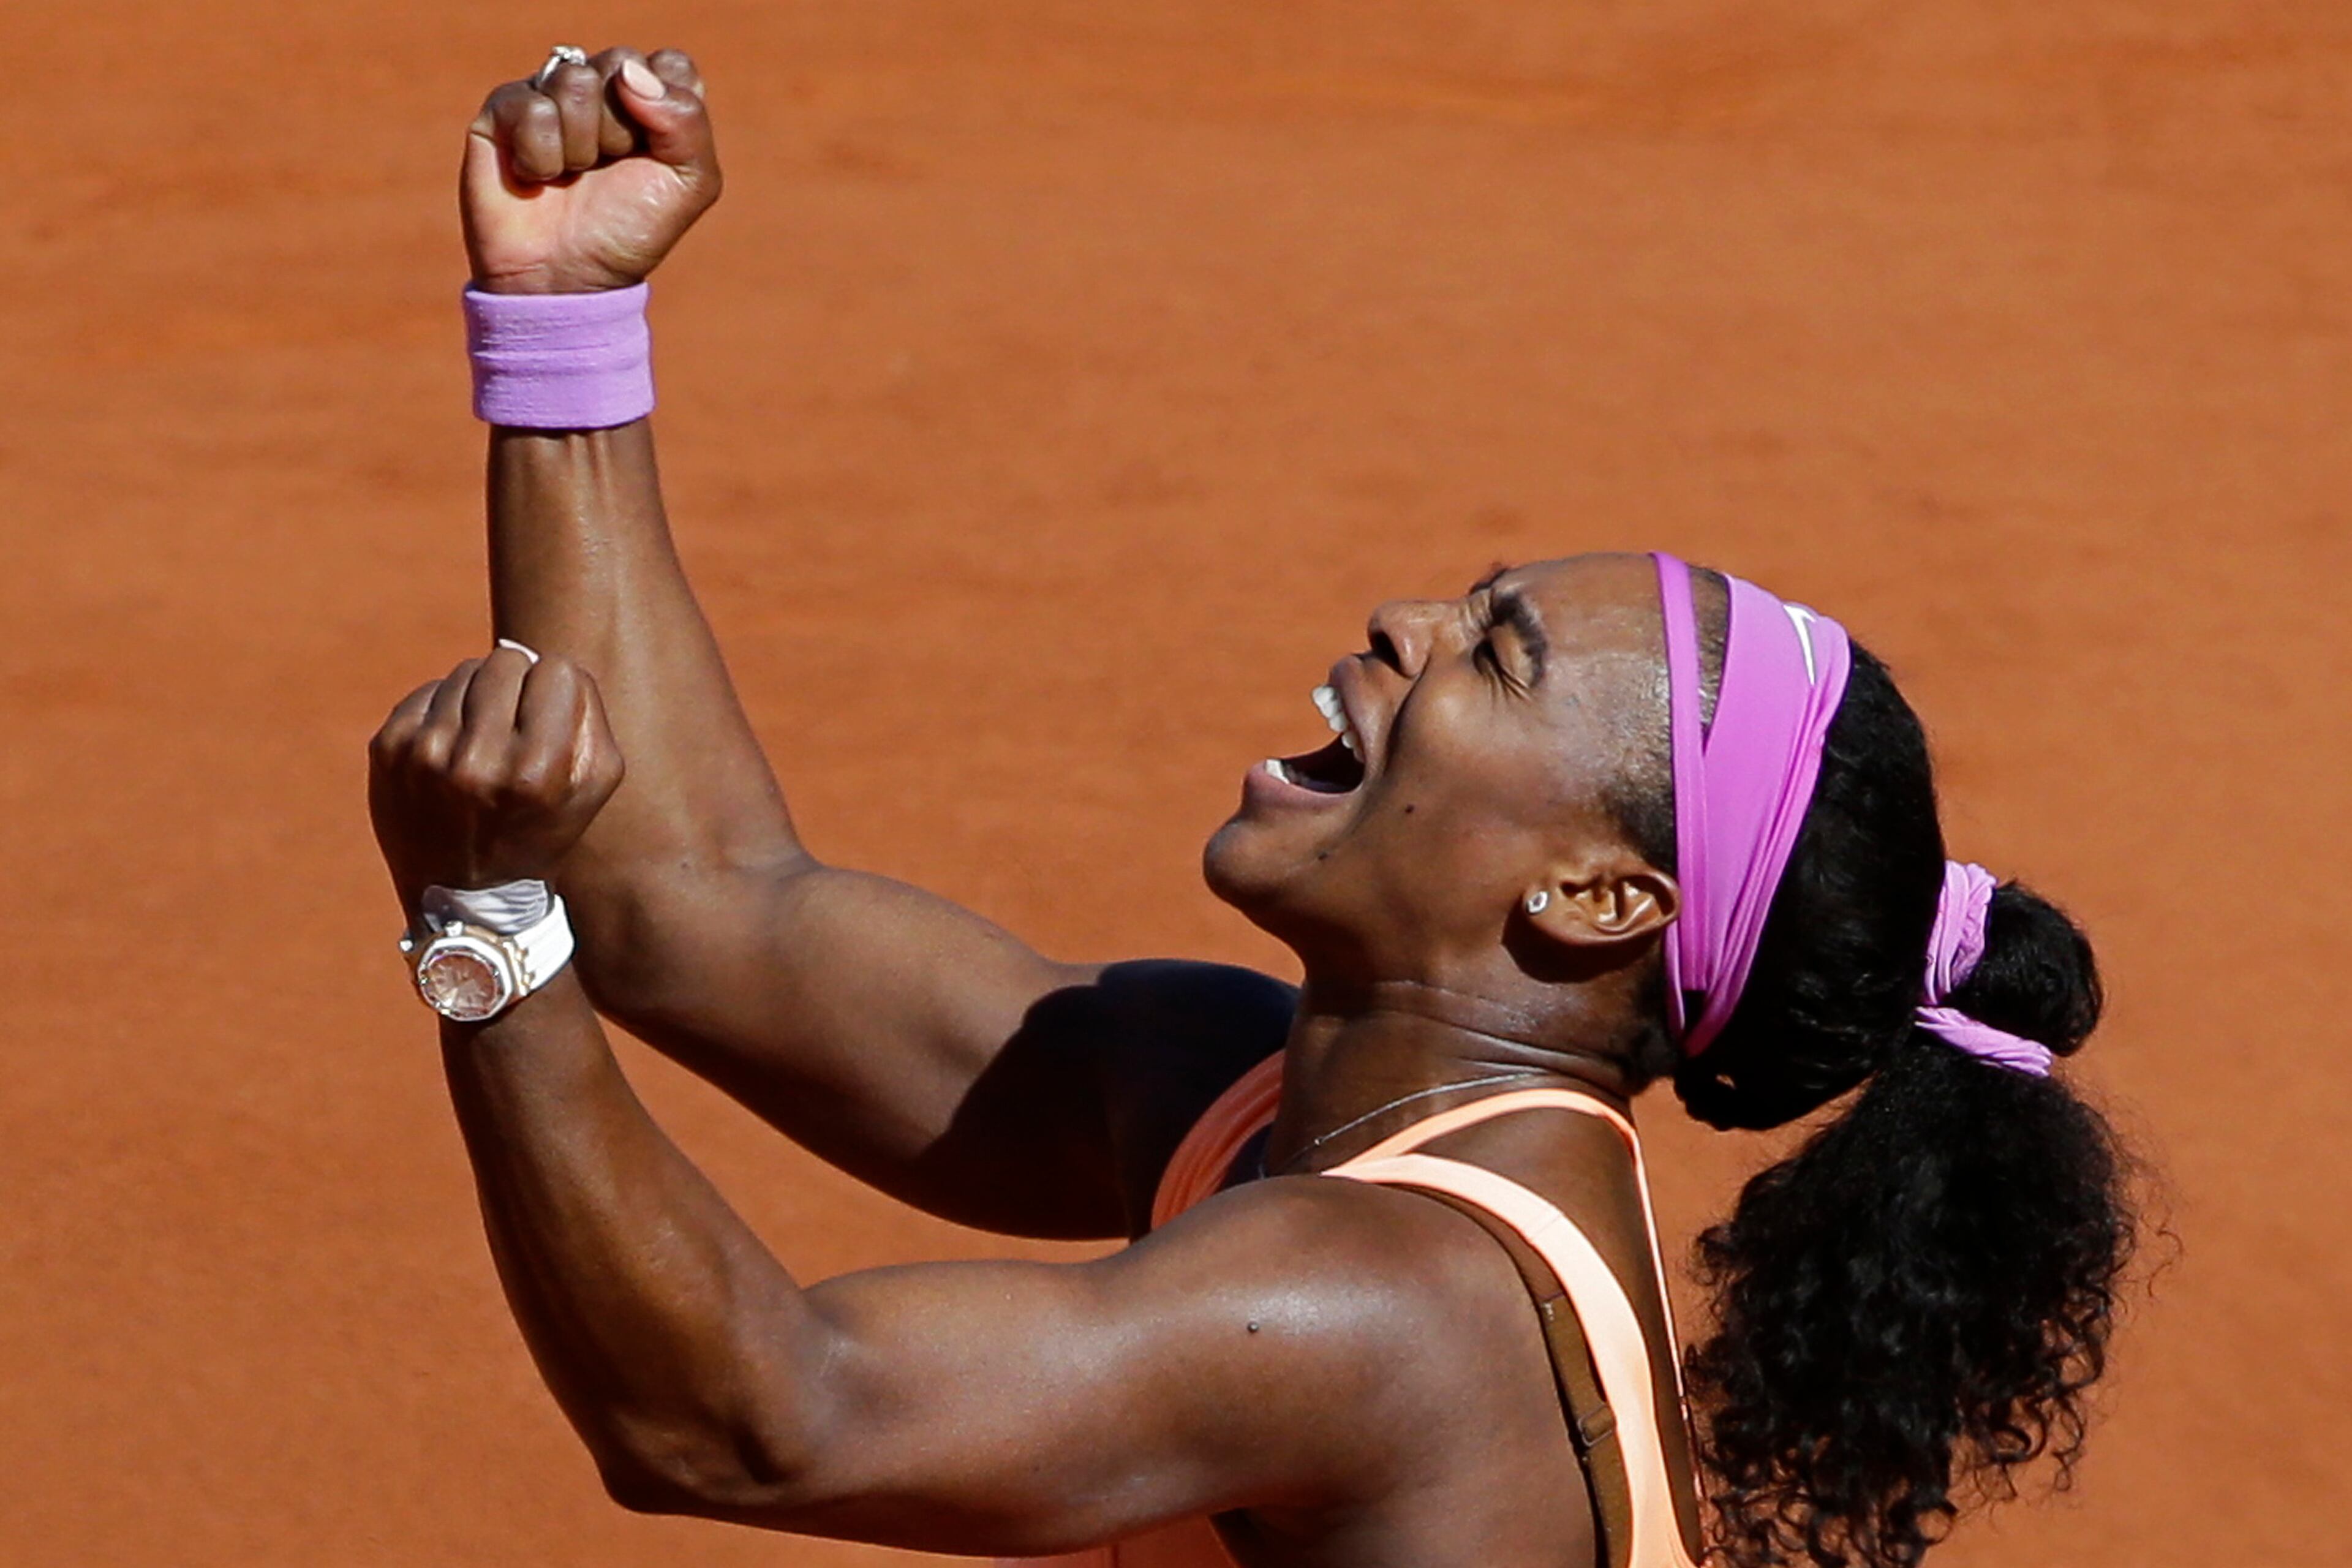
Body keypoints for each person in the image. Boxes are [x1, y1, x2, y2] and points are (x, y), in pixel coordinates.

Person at [364, 43, 2136, 1568]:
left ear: (1602, 899)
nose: (1403, 625)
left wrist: (488, 940)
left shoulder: (1398, 1304)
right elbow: (700, 910)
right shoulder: (1245, 1094)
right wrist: (567, 323)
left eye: (1494, 655)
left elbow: (747, 1424)